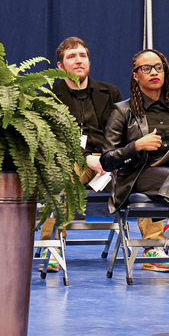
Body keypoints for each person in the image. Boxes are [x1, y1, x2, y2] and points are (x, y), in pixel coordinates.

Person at [38, 37, 123, 271]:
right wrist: (87, 158)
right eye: (71, 57)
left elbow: (121, 131)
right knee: (60, 176)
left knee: (138, 172)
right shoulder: (49, 98)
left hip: (108, 162)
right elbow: (53, 140)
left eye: (82, 56)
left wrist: (111, 159)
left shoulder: (110, 92)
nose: (78, 61)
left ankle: (150, 245)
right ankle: (52, 245)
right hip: (73, 161)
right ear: (60, 66)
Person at [100, 49, 169, 274]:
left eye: (158, 67)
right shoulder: (123, 111)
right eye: (146, 68)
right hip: (141, 175)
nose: (154, 72)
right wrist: (136, 147)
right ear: (136, 75)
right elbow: (107, 160)